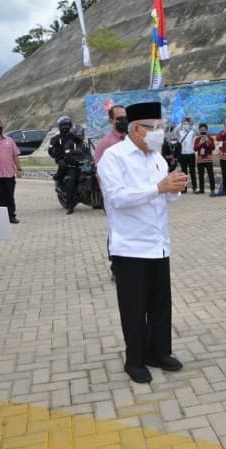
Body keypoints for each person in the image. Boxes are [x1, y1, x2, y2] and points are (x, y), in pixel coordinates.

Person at [97, 102, 188, 384]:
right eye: (155, 127)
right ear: (137, 129)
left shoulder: (157, 158)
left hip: (158, 244)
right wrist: (159, 188)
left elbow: (166, 197)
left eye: (161, 126)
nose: (159, 132)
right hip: (130, 247)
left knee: (160, 304)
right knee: (134, 308)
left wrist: (174, 188)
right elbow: (118, 198)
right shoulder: (113, 157)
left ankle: (159, 352)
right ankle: (134, 360)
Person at [49, 115, 91, 214]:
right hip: (67, 162)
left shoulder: (79, 141)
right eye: (63, 125)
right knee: (70, 180)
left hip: (80, 164)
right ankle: (70, 205)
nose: (66, 127)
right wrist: (60, 157)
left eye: (67, 125)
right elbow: (52, 151)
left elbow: (88, 154)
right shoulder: (57, 139)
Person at [193, 123, 216, 195]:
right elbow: (195, 149)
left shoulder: (210, 138)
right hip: (200, 159)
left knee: (210, 174)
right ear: (199, 131)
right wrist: (200, 143)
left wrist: (207, 141)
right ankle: (201, 189)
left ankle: (212, 189)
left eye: (204, 130)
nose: (203, 131)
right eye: (201, 130)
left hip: (208, 158)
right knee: (200, 174)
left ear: (207, 130)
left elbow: (213, 147)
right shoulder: (197, 139)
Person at [176, 117, 197, 193]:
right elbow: (176, 130)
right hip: (183, 154)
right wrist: (181, 122)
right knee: (183, 172)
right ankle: (184, 188)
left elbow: (196, 131)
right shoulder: (180, 132)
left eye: (187, 124)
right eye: (185, 124)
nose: (186, 125)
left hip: (191, 154)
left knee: (192, 171)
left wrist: (192, 123)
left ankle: (194, 188)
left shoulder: (192, 132)